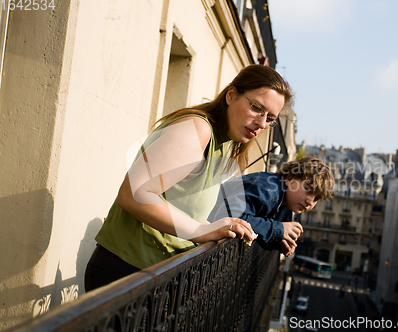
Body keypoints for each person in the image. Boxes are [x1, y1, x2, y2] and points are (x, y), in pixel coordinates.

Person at [84, 65, 293, 292]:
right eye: (256, 108)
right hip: (126, 274)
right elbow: (134, 195)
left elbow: (185, 208)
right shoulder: (198, 128)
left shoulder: (222, 143)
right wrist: (202, 231)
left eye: (270, 118)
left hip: (151, 277)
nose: (262, 123)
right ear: (231, 95)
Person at [208, 156, 334, 256]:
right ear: (290, 179)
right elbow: (227, 216)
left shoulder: (286, 203)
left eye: (316, 198)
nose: (310, 201)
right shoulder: (266, 189)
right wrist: (278, 229)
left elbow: (258, 227)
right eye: (308, 190)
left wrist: (278, 241)